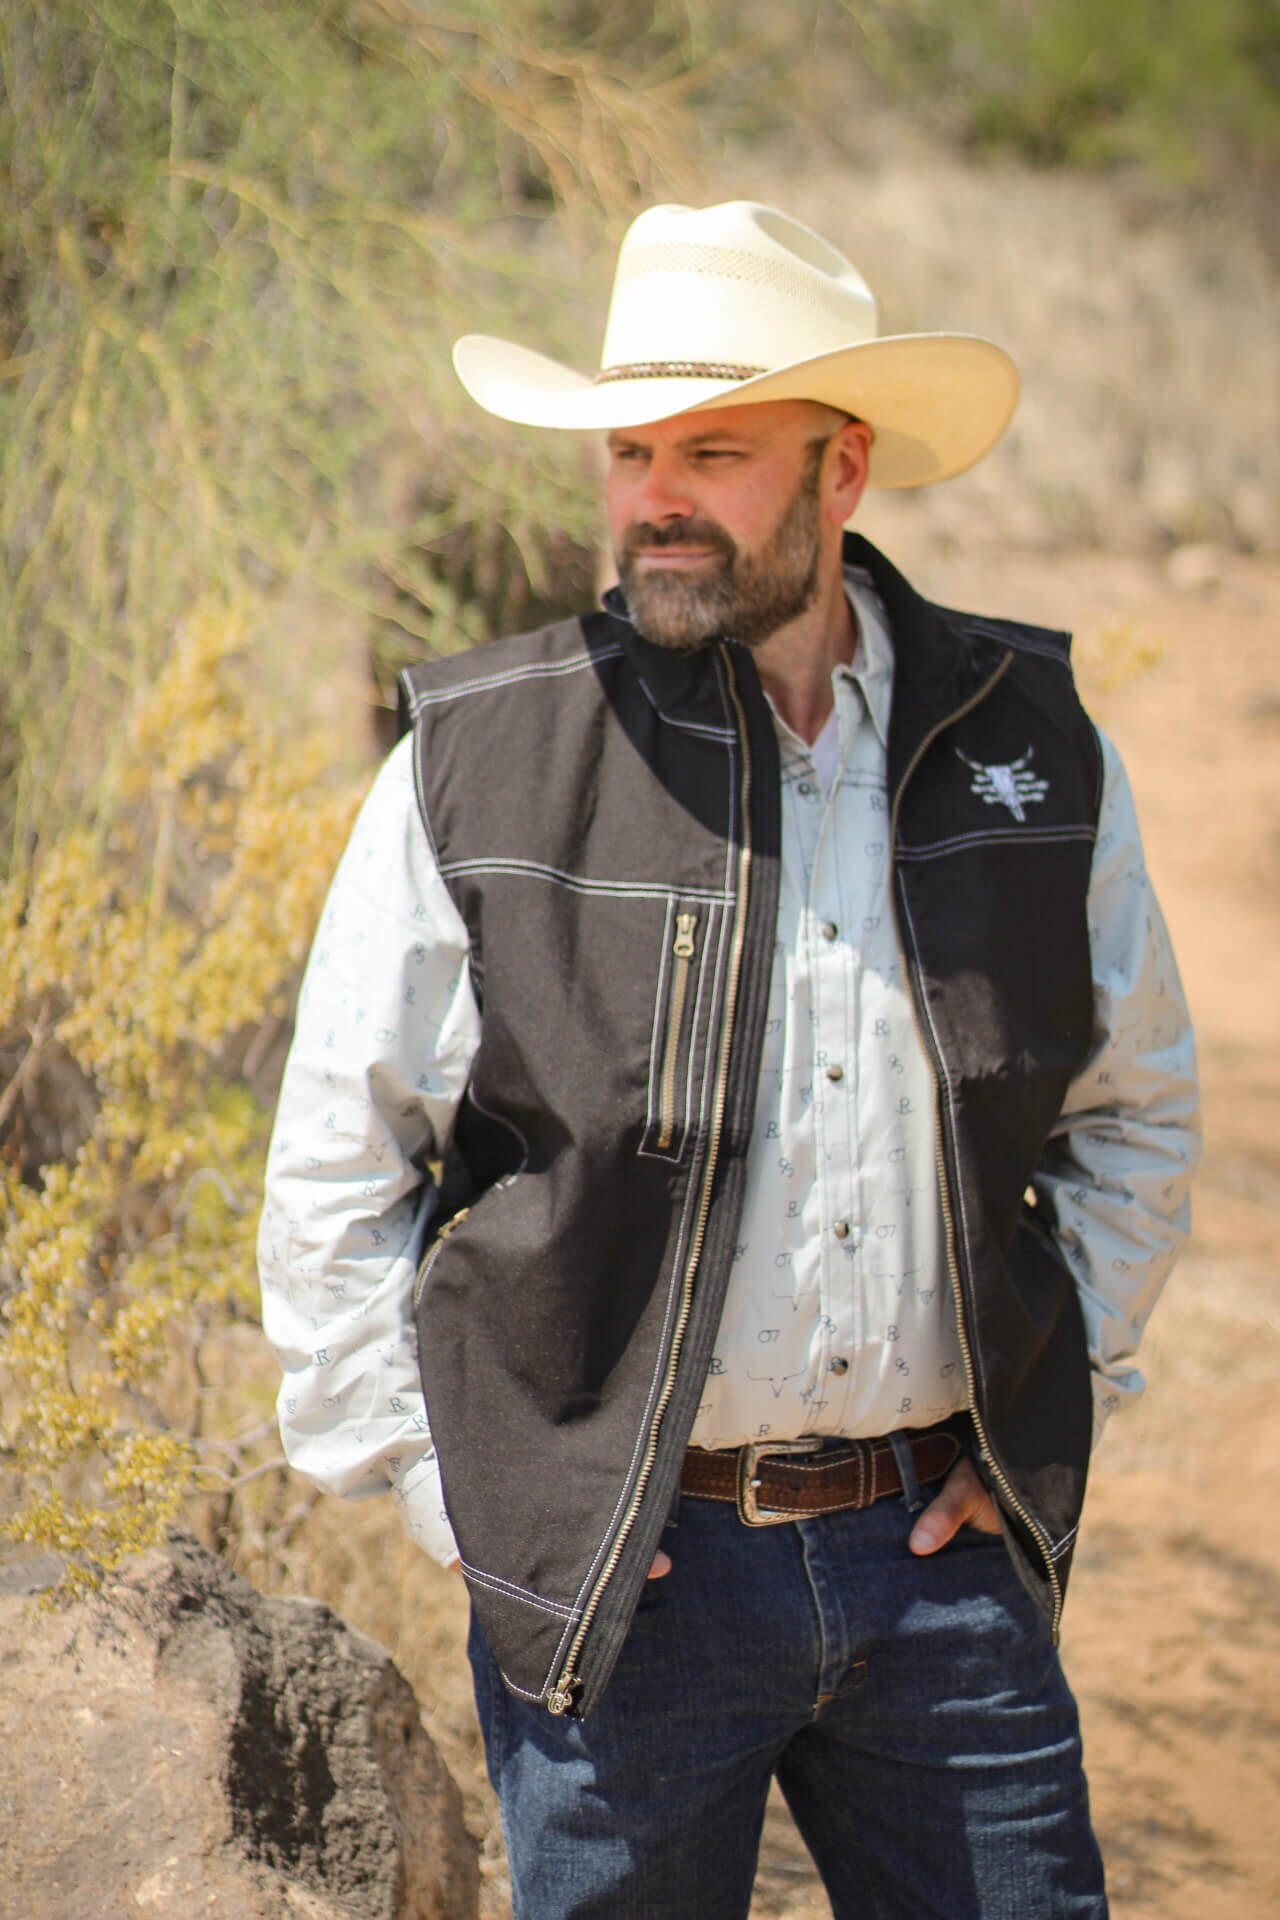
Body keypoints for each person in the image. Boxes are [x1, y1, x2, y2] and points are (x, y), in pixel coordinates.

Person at [258, 200, 1201, 1918]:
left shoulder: (1029, 746)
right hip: (631, 1584)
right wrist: (437, 1486)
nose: (653, 495)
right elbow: (346, 1145)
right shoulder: (486, 758)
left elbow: (1135, 1108)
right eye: (629, 449)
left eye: (716, 447)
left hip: (947, 1569)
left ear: (842, 474)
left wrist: (1056, 1412)